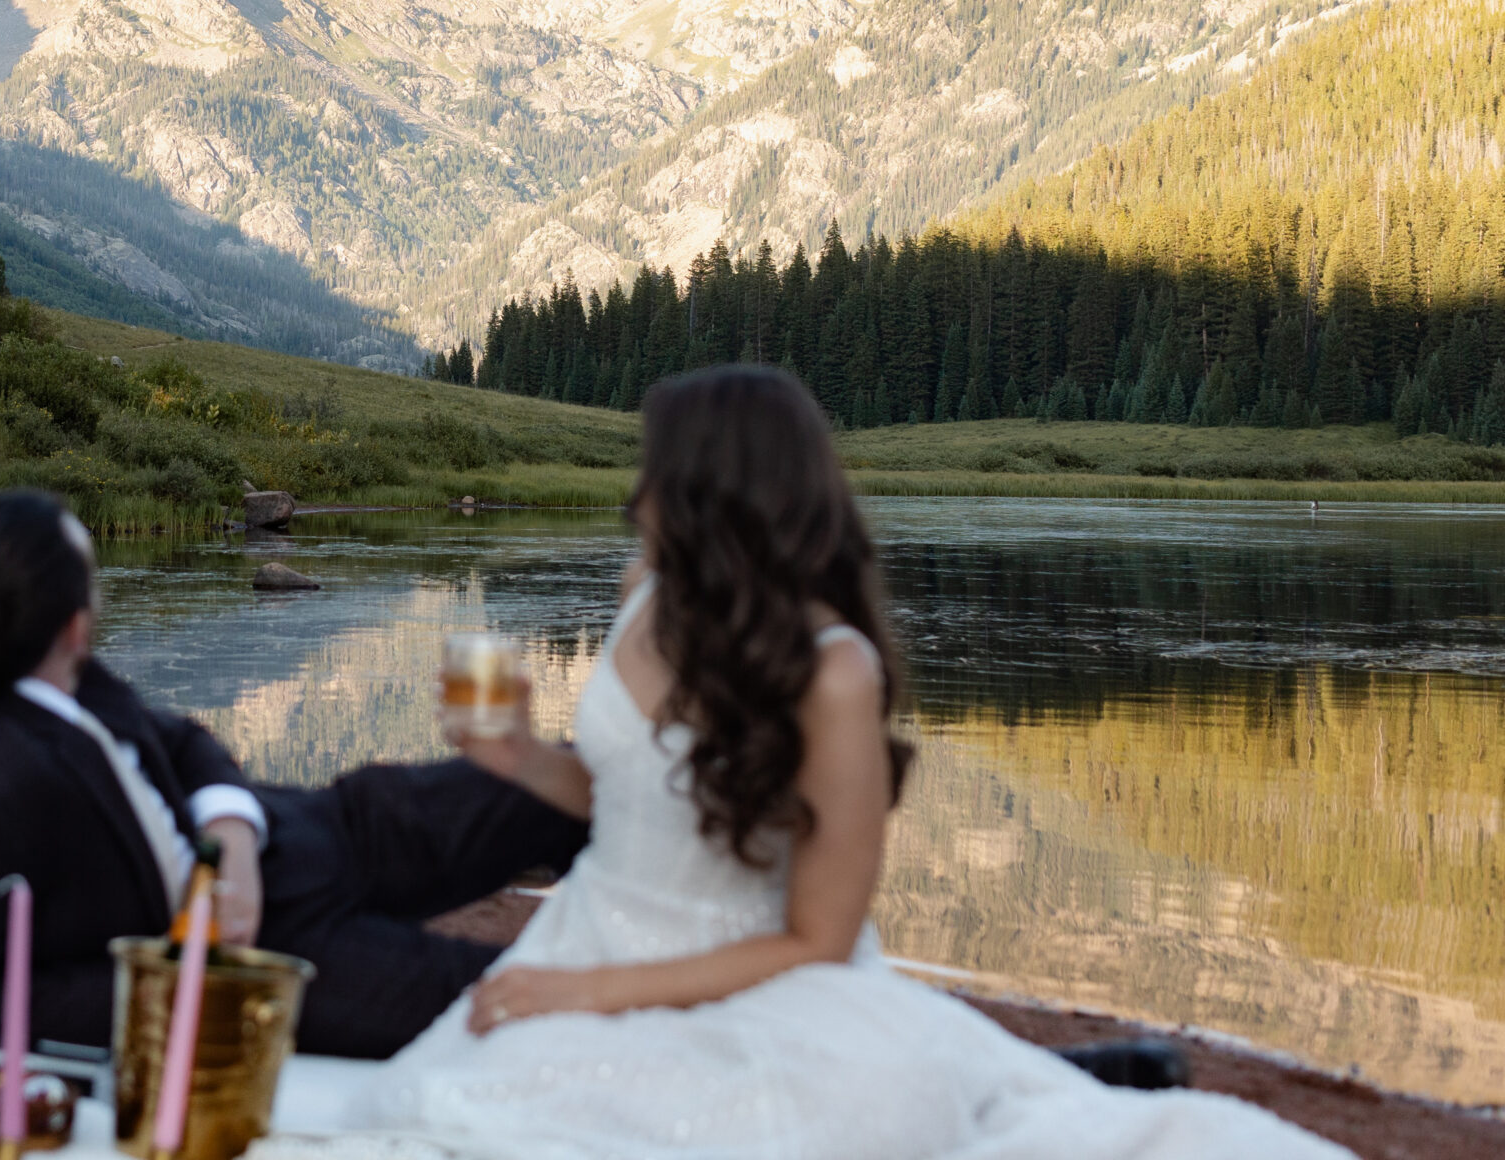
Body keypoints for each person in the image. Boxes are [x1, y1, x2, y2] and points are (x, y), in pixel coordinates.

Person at [253, 365, 1347, 1160]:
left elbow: (816, 937)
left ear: (716, 492)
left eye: (656, 473)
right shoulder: (644, 598)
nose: (636, 496)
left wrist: (581, 991)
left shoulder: (834, 674)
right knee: (438, 1116)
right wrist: (518, 758)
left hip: (756, 986)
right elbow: (631, 802)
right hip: (591, 930)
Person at [0, 490, 587, 1058]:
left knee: (559, 786)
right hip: (275, 956)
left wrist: (232, 833)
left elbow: (184, 743)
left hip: (318, 828)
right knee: (516, 998)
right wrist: (174, 993)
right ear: (70, 620)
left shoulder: (57, 674)